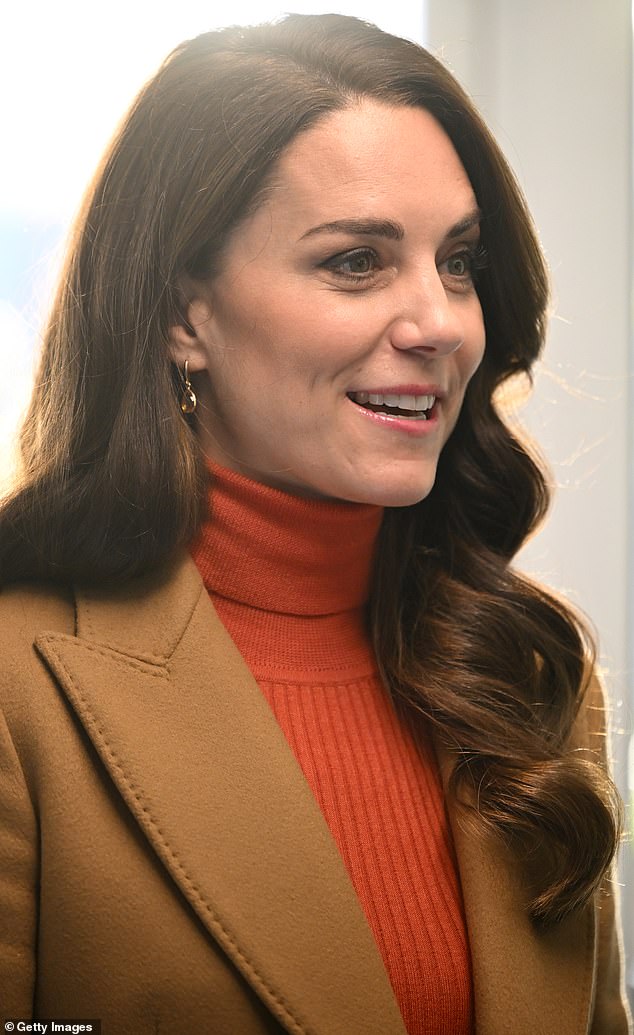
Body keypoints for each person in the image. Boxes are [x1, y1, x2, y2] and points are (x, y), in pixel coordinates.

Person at [0, 13, 630, 1034]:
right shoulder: (16, 683)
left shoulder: (528, 676)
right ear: (180, 312)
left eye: (458, 261)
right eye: (355, 263)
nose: (439, 323)